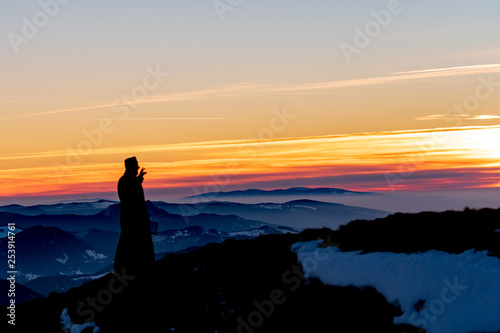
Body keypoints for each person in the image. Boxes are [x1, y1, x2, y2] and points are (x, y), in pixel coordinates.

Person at [113, 156, 155, 275]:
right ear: (130, 167)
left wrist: (139, 179)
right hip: (133, 220)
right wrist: (138, 180)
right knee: (132, 243)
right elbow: (130, 197)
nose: (137, 167)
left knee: (133, 243)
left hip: (136, 219)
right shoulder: (126, 181)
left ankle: (135, 268)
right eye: (136, 165)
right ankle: (130, 269)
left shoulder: (129, 180)